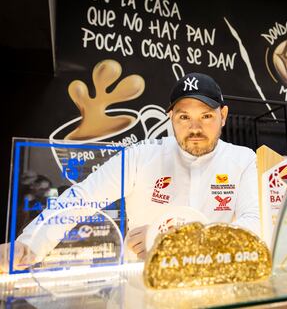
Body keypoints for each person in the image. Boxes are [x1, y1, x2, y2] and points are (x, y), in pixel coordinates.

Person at [0, 72, 259, 272]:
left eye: (205, 116)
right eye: (183, 117)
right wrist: (29, 244)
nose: (195, 128)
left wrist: (164, 237)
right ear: (171, 118)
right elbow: (82, 197)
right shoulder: (141, 155)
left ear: (222, 115)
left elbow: (254, 225)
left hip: (215, 281)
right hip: (142, 285)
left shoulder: (243, 160)